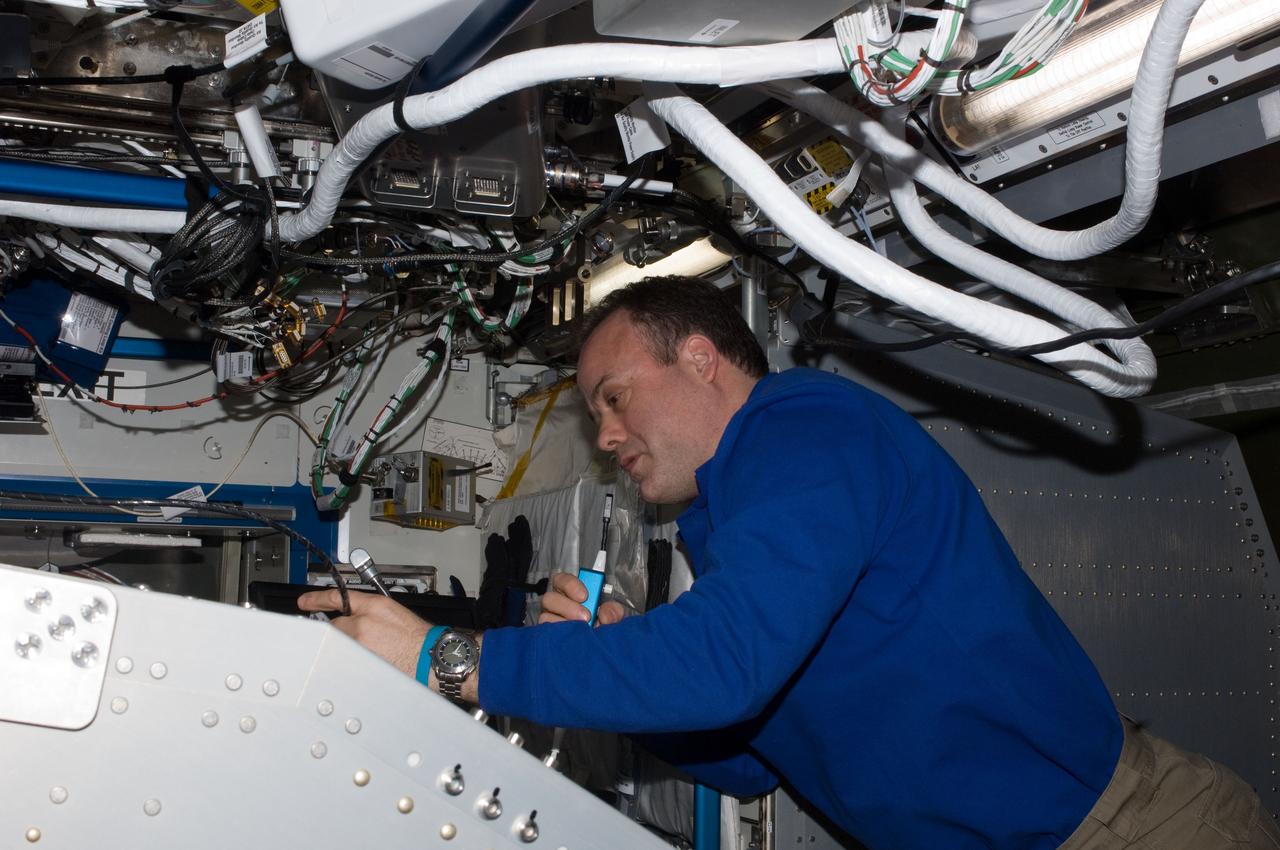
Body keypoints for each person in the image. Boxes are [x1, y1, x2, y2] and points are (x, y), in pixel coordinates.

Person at [299, 276, 1278, 850]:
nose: (603, 436)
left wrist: (448, 659)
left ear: (699, 359)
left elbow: (726, 666)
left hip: (1125, 832)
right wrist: (632, 653)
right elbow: (743, 749)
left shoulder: (803, 428)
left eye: (611, 396)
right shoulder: (725, 524)